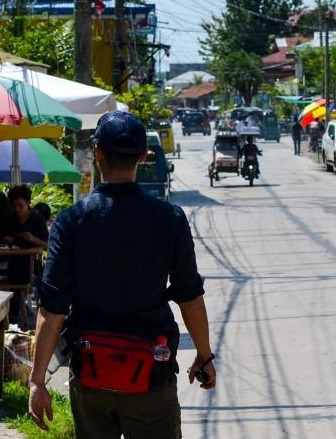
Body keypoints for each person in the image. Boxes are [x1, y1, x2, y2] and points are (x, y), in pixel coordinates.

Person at [28, 110, 217, 436]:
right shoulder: (169, 218)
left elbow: (52, 308)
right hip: (151, 375)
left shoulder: (71, 222)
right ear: (143, 157)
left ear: (98, 154)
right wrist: (203, 354)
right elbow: (189, 295)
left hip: (91, 375)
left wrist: (36, 380)